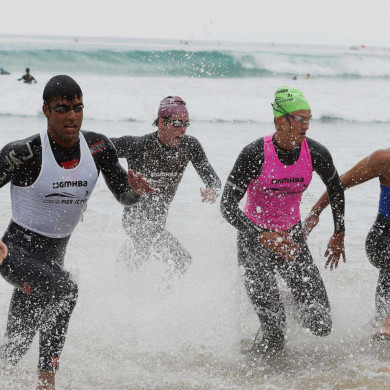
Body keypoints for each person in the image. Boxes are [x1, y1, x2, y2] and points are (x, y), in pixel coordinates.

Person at [0, 75, 153, 390]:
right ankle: (47, 381)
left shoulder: (97, 147)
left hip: (52, 257)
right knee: (66, 290)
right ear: (46, 110)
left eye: (78, 107)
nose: (72, 116)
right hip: (15, 251)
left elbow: (122, 195)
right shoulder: (25, 153)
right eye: (62, 108)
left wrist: (135, 193)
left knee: (12, 350)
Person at [220, 86, 346, 358]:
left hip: (291, 240)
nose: (306, 126)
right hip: (254, 242)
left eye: (309, 119)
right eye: (300, 119)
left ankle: (285, 301)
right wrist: (261, 234)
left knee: (321, 324)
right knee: (275, 337)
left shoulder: (316, 152)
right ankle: (250, 375)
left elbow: (336, 188)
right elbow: (227, 206)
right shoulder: (254, 153)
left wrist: (339, 232)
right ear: (281, 121)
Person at [111, 96, 221, 276]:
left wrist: (212, 189)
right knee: (181, 260)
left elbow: (213, 179)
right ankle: (163, 301)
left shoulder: (190, 146)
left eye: (186, 124)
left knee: (131, 265)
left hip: (158, 222)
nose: (183, 130)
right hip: (135, 219)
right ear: (161, 123)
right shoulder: (138, 145)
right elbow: (97, 147)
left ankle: (116, 288)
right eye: (177, 124)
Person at [304, 148, 390, 340]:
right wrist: (315, 213)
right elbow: (341, 182)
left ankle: (376, 327)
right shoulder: (384, 159)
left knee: (383, 302)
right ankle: (387, 324)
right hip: (382, 239)